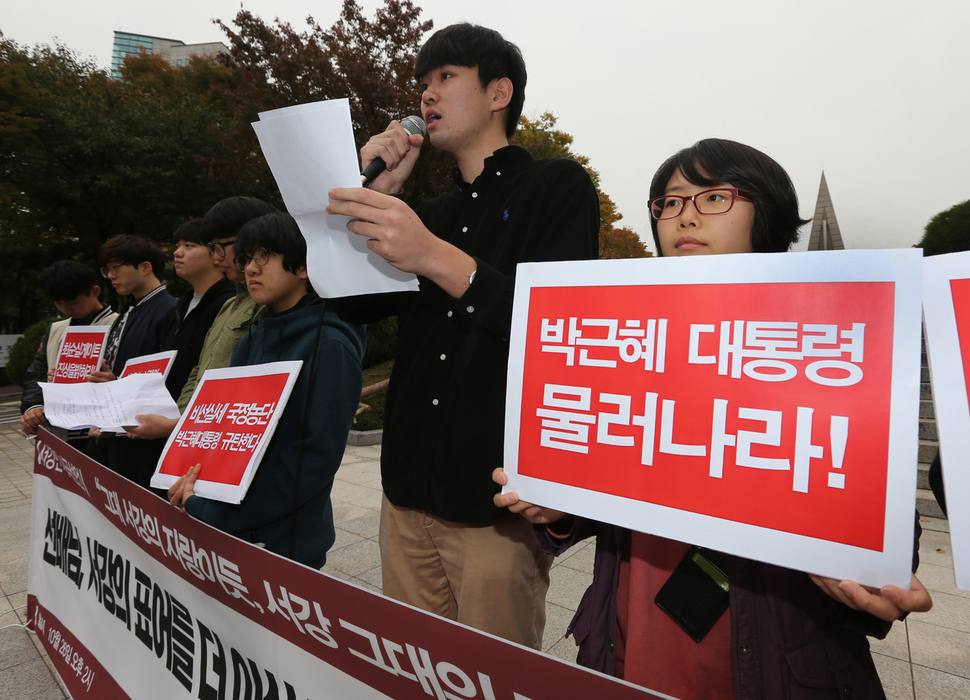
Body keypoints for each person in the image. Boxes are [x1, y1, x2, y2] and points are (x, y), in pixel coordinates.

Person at [494, 138, 932, 699]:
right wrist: (559, 504)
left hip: (771, 665)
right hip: (626, 647)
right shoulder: (627, 345)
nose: (686, 215)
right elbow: (613, 476)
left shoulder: (825, 350)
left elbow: (882, 517)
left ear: (766, 213)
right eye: (670, 202)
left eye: (715, 197)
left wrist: (861, 567)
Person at [326, 23, 599, 648]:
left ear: (499, 92)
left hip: (496, 503)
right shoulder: (433, 214)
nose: (427, 95)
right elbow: (353, 304)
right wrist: (378, 194)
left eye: (446, 78)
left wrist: (433, 256)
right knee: (414, 667)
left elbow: (560, 329)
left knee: (491, 674)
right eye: (423, 83)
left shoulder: (556, 186)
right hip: (406, 490)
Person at [168, 212, 365, 568]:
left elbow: (313, 459)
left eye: (266, 256)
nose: (251, 269)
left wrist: (217, 512)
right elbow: (224, 435)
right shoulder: (252, 337)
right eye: (247, 259)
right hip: (221, 527)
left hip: (285, 544)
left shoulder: (329, 344)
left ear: (305, 266)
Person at [126, 196, 275, 442]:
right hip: (195, 435)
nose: (216, 257)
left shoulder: (268, 304)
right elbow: (200, 372)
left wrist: (175, 426)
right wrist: (179, 424)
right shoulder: (231, 304)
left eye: (220, 247)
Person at [20, 261, 117, 447]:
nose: (67, 309)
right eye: (58, 303)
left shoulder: (120, 324)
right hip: (60, 433)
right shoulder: (56, 329)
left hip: (102, 433)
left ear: (95, 292)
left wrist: (112, 379)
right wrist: (34, 407)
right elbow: (37, 375)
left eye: (73, 302)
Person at [159, 218, 235, 399]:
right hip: (164, 413)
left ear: (216, 254)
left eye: (189, 246)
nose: (178, 253)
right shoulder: (176, 310)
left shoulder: (229, 304)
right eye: (177, 246)